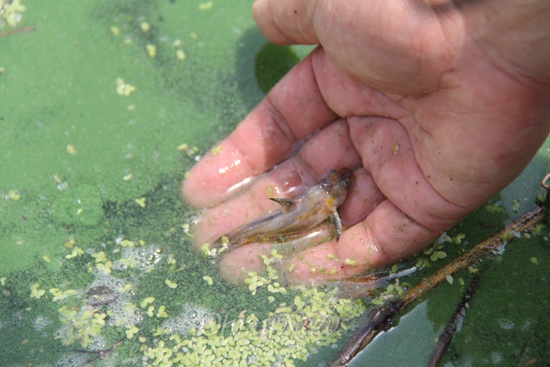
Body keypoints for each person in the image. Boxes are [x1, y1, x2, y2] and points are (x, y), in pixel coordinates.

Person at [182, 0, 550, 284]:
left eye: (340, 185)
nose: (341, 186)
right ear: (331, 195)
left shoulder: (323, 200)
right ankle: (235, 238)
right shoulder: (323, 200)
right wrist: (494, 48)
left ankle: (235, 238)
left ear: (333, 198)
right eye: (340, 185)